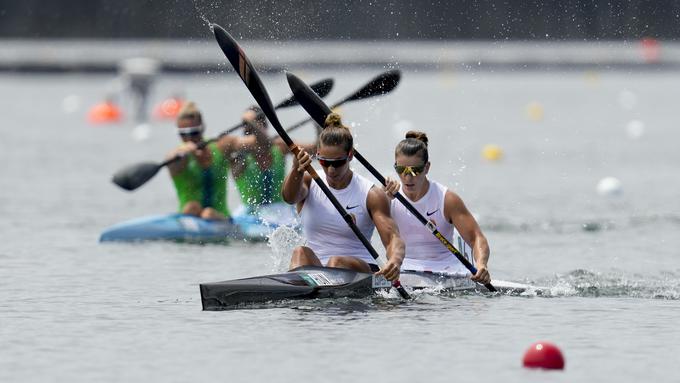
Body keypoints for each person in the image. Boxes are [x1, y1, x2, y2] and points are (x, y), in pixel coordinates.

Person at [281, 113, 405, 281]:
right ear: (317, 155)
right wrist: (296, 169)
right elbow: (289, 198)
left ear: (350, 155)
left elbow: (392, 239)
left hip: (360, 272)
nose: (331, 170)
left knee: (336, 262)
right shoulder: (309, 182)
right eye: (325, 162)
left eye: (338, 163)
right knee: (300, 252)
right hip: (317, 272)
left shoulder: (371, 194)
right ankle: (297, 294)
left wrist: (394, 262)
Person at [383, 131, 492, 285]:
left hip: (446, 271)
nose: (408, 177)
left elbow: (476, 237)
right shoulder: (388, 196)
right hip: (402, 268)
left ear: (427, 167)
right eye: (402, 170)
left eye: (415, 170)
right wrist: (384, 200)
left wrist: (481, 265)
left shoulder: (446, 199)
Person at [166, 102, 257, 220]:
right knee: (191, 207)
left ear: (203, 128)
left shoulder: (221, 146)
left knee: (208, 213)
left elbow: (259, 144)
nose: (189, 138)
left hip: (220, 219)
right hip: (188, 215)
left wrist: (252, 123)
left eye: (194, 133)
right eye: (183, 134)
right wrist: (183, 151)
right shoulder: (177, 157)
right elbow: (169, 159)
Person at [230, 106, 317, 210]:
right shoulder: (237, 153)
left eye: (254, 124)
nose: (251, 128)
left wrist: (316, 117)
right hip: (250, 215)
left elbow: (316, 151)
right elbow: (264, 142)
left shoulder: (280, 147)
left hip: (281, 212)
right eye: (250, 125)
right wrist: (251, 121)